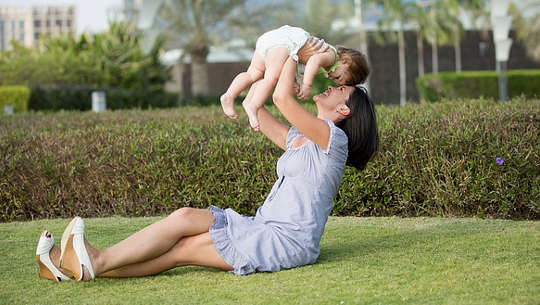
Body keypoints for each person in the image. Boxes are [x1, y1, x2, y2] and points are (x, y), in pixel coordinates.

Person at [34, 43, 379, 282]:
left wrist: (294, 47)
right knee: (184, 218)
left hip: (285, 242)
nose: (333, 86)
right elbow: (258, 108)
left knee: (182, 251)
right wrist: (266, 66)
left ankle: (94, 262)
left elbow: (281, 98)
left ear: (344, 111)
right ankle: (72, 266)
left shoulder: (334, 141)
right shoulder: (302, 139)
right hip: (260, 225)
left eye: (341, 91)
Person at [220, 25, 369, 131]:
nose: (333, 80)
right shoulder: (332, 57)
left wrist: (295, 81)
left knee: (254, 73)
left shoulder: (329, 58)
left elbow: (298, 60)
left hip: (273, 40)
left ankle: (229, 95)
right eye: (339, 78)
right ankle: (253, 105)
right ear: (345, 62)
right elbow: (313, 61)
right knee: (271, 77)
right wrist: (306, 85)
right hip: (286, 42)